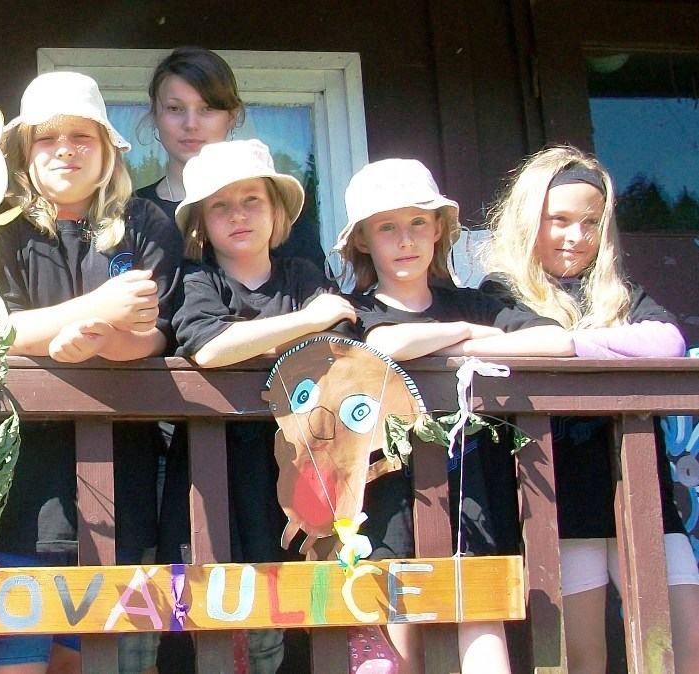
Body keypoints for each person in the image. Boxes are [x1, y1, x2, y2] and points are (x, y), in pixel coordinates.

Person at [337, 158, 574, 673]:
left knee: (483, 635)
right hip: (386, 503)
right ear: (363, 240)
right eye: (386, 227)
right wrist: (466, 335)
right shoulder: (353, 311)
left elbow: (557, 341)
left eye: (418, 222)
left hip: (475, 497)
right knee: (398, 646)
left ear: (439, 229)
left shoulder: (474, 302)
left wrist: (461, 334)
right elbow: (385, 345)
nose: (405, 239)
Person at [478, 146, 699, 674]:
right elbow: (528, 345)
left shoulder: (619, 294)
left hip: (642, 494)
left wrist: (572, 344)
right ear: (529, 219)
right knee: (583, 657)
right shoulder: (500, 294)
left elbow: (667, 341)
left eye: (591, 223)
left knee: (685, 646)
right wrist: (604, 344)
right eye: (559, 220)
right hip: (561, 502)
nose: (576, 236)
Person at [0, 70, 182, 674]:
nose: (64, 150)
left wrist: (100, 342)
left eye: (81, 136)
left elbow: (157, 334)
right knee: (17, 662)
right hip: (24, 487)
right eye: (47, 138)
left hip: (120, 481)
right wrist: (99, 309)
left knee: (95, 662)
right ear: (25, 152)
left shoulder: (146, 222)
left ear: (106, 149)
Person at [166, 139, 355, 673]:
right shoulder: (199, 280)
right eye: (220, 205)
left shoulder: (303, 276)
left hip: (298, 470)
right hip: (216, 471)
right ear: (202, 224)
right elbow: (209, 346)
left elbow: (340, 341)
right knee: (212, 602)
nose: (238, 215)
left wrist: (257, 341)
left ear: (276, 211)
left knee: (294, 608)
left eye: (252, 200)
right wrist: (304, 324)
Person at [134, 47, 242, 220]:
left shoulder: (269, 210)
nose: (191, 124)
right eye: (175, 108)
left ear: (231, 116)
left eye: (207, 108)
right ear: (155, 114)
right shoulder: (128, 214)